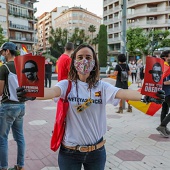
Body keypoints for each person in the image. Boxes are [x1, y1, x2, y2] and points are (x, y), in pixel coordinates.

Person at [17, 44, 165, 170]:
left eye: (88, 57)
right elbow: (50, 92)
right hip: (70, 153)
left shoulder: (102, 86)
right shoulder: (66, 85)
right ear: (74, 61)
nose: (84, 61)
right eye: (80, 57)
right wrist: (31, 94)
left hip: (97, 152)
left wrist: (145, 96)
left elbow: (123, 92)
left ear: (94, 62)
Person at [0, 42, 26, 170]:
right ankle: (20, 165)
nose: (2, 55)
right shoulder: (22, 66)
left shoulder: (4, 67)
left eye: (2, 52)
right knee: (19, 137)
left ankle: (3, 167)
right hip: (21, 106)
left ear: (7, 51)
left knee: (2, 137)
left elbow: (0, 92)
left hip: (8, 106)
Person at [156, 50, 170, 137]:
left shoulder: (163, 66)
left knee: (165, 110)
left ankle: (163, 128)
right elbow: (164, 82)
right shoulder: (165, 67)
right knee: (165, 110)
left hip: (164, 92)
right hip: (167, 92)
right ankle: (162, 126)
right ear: (165, 57)